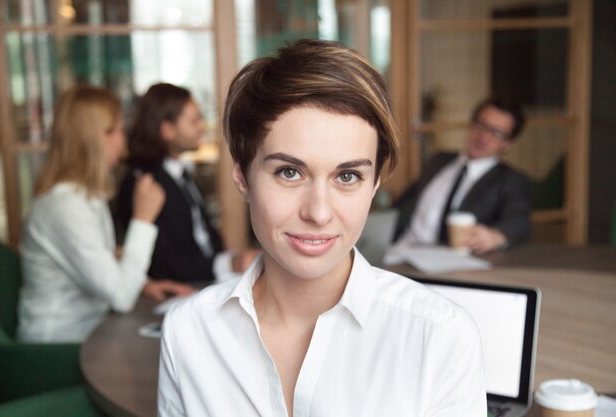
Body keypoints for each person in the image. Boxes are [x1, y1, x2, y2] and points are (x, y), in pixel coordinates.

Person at [158, 39, 485, 416]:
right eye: (289, 172)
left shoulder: (439, 336)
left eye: (347, 176)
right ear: (243, 178)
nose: (319, 212)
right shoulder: (188, 332)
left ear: (375, 184)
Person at [18, 85, 193, 343]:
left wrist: (143, 285)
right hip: (55, 347)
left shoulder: (84, 197)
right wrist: (143, 219)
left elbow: (98, 263)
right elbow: (120, 297)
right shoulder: (64, 207)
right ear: (93, 138)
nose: (123, 141)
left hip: (91, 333)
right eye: (118, 130)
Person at [115, 83, 259, 283]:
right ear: (167, 130)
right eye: (194, 120)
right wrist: (229, 263)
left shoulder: (181, 174)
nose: (202, 126)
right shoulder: (143, 183)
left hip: (209, 282)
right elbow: (159, 264)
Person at [393, 96, 530, 254]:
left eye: (496, 133)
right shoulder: (438, 161)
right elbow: (401, 204)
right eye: (481, 125)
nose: (484, 136)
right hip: (401, 250)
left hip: (450, 262)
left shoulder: (510, 179)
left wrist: (496, 236)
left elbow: (520, 222)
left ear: (507, 144)